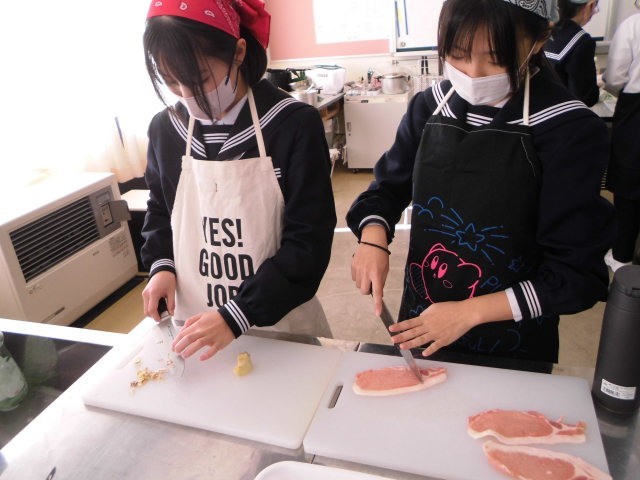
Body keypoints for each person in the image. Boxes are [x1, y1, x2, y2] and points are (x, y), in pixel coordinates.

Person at [348, 0, 614, 364]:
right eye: (458, 55)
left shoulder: (569, 129)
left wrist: (469, 312)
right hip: (424, 320)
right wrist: (372, 238)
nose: (473, 74)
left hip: (513, 341)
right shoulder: (430, 106)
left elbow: (576, 274)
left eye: (496, 58)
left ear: (539, 40)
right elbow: (387, 189)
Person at [140, 0, 336, 361]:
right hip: (195, 326)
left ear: (238, 52)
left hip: (278, 319)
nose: (187, 95)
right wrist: (161, 266)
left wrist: (236, 314)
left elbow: (309, 242)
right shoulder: (166, 129)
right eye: (171, 82)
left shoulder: (292, 125)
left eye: (200, 79)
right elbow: (160, 210)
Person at [603, 5, 640, 272]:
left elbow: (615, 77)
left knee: (629, 179)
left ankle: (622, 255)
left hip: (636, 108)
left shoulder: (633, 25)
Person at [544, 0, 600, 106]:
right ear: (590, 5)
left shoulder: (543, 29)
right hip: (562, 111)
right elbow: (585, 97)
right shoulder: (581, 42)